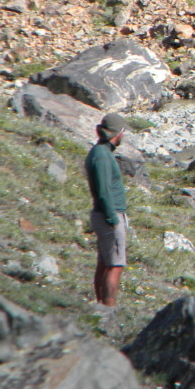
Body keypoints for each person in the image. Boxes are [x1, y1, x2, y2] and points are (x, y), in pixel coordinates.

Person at [85, 112, 129, 307]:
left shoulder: (100, 152)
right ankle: (108, 310)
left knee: (104, 263)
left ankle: (100, 306)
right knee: (115, 266)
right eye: (123, 132)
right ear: (117, 133)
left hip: (103, 215)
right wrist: (113, 218)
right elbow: (103, 191)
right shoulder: (102, 156)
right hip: (109, 216)